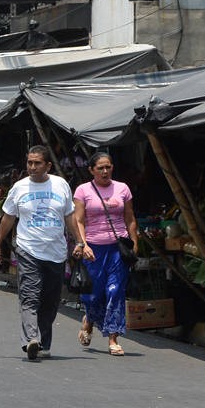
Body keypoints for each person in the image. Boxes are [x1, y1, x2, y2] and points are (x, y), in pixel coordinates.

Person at [0, 145, 80, 361]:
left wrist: (80, 241)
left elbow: (69, 216)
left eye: (37, 163)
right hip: (28, 249)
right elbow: (8, 217)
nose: (32, 167)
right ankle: (31, 339)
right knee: (30, 296)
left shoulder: (61, 185)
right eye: (29, 162)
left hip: (56, 252)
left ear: (48, 165)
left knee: (50, 301)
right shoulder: (19, 188)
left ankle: (43, 343)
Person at [72, 152, 139, 357]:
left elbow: (130, 218)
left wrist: (134, 244)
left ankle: (113, 338)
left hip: (117, 249)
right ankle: (89, 320)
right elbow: (78, 221)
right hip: (93, 248)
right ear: (91, 170)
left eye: (108, 167)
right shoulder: (83, 190)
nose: (104, 171)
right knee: (92, 294)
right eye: (100, 167)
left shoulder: (122, 188)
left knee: (115, 291)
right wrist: (83, 245)